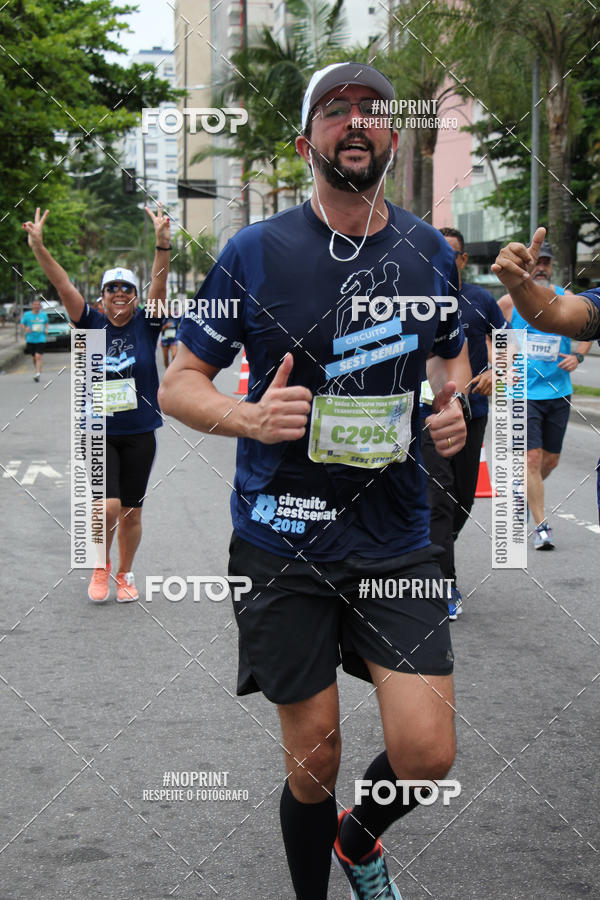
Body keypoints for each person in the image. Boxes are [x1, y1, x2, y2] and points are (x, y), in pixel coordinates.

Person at [160, 62, 471, 900]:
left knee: (427, 752)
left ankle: (359, 841)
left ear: (393, 139)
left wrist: (452, 407)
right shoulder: (253, 253)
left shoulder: (426, 251)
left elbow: (449, 350)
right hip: (282, 537)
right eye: (336, 111)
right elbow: (179, 381)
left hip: (397, 536)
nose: (357, 122)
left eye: (372, 111)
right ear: (308, 143)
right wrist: (249, 416)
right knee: (316, 755)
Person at [23, 204, 171, 603]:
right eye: (112, 289)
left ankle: (125, 573)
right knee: (107, 507)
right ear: (101, 298)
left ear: (136, 298)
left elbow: (160, 282)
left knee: (131, 513)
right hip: (99, 432)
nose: (120, 294)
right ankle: (100, 566)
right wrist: (39, 246)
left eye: (127, 289)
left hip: (141, 433)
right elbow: (61, 283)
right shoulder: (88, 322)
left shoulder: (147, 323)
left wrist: (162, 244)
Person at [421, 227, 508, 617]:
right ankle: (443, 582)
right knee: (438, 495)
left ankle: (435, 549)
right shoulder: (415, 296)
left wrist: (496, 371)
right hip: (427, 413)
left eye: (450, 252)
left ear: (462, 259)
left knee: (463, 498)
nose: (440, 257)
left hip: (472, 411)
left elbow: (506, 345)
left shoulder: (480, 299)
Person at [497, 238, 591, 549]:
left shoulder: (565, 298)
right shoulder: (510, 301)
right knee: (532, 459)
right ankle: (541, 528)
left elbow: (590, 329)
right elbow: (490, 330)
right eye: (537, 262)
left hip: (558, 392)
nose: (541, 268)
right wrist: (500, 363)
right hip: (523, 394)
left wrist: (577, 356)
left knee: (550, 461)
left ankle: (522, 493)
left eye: (547, 263)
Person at [20, 297, 48, 381]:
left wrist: (46, 329)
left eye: (38, 305)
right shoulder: (27, 315)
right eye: (35, 305)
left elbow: (46, 323)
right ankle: (37, 369)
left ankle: (38, 373)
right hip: (31, 339)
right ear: (32, 306)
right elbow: (22, 324)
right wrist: (26, 328)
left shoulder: (43, 315)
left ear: (40, 306)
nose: (36, 306)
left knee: (38, 356)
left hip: (41, 338)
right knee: (34, 357)